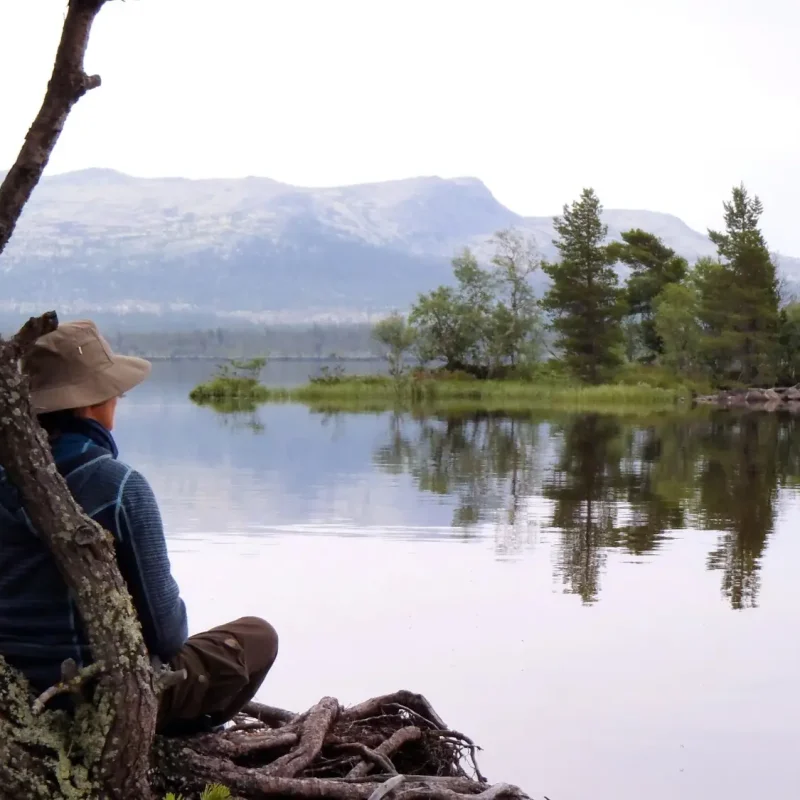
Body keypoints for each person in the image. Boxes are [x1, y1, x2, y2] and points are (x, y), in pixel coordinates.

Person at [0, 319, 278, 734]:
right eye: (115, 393)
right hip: (97, 701)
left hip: (15, 697)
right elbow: (168, 635)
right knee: (258, 637)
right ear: (94, 404)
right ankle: (173, 740)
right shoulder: (118, 487)